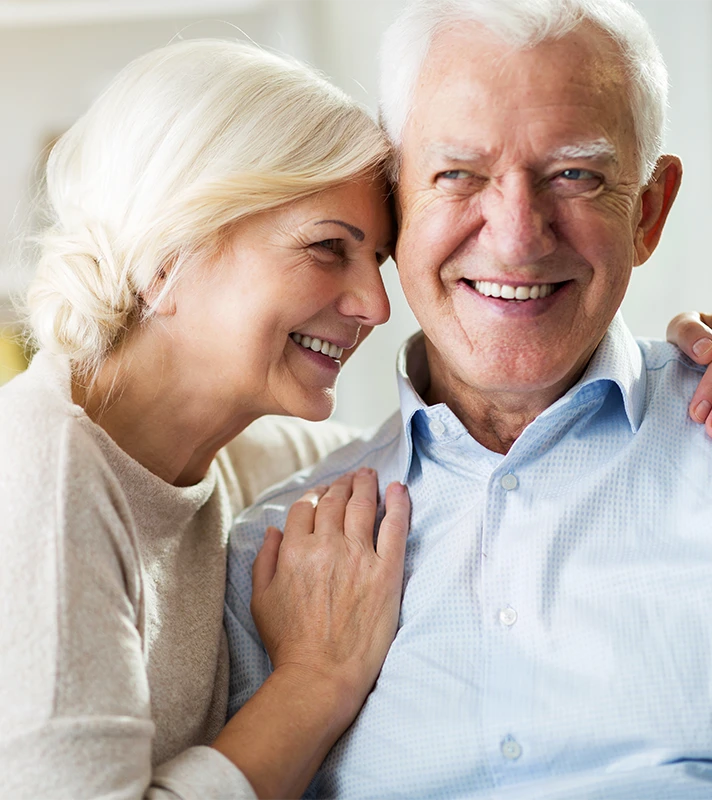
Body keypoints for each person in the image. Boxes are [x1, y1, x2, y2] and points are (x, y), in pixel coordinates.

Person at [226, 1, 712, 798]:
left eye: (575, 174)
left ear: (650, 209)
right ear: (394, 205)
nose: (519, 236)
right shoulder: (277, 552)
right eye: (458, 174)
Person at [0, 39, 412, 800]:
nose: (378, 307)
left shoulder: (257, 461)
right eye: (329, 248)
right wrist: (315, 681)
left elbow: (464, 448)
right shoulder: (39, 474)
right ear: (168, 256)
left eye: (379, 260)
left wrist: (695, 363)